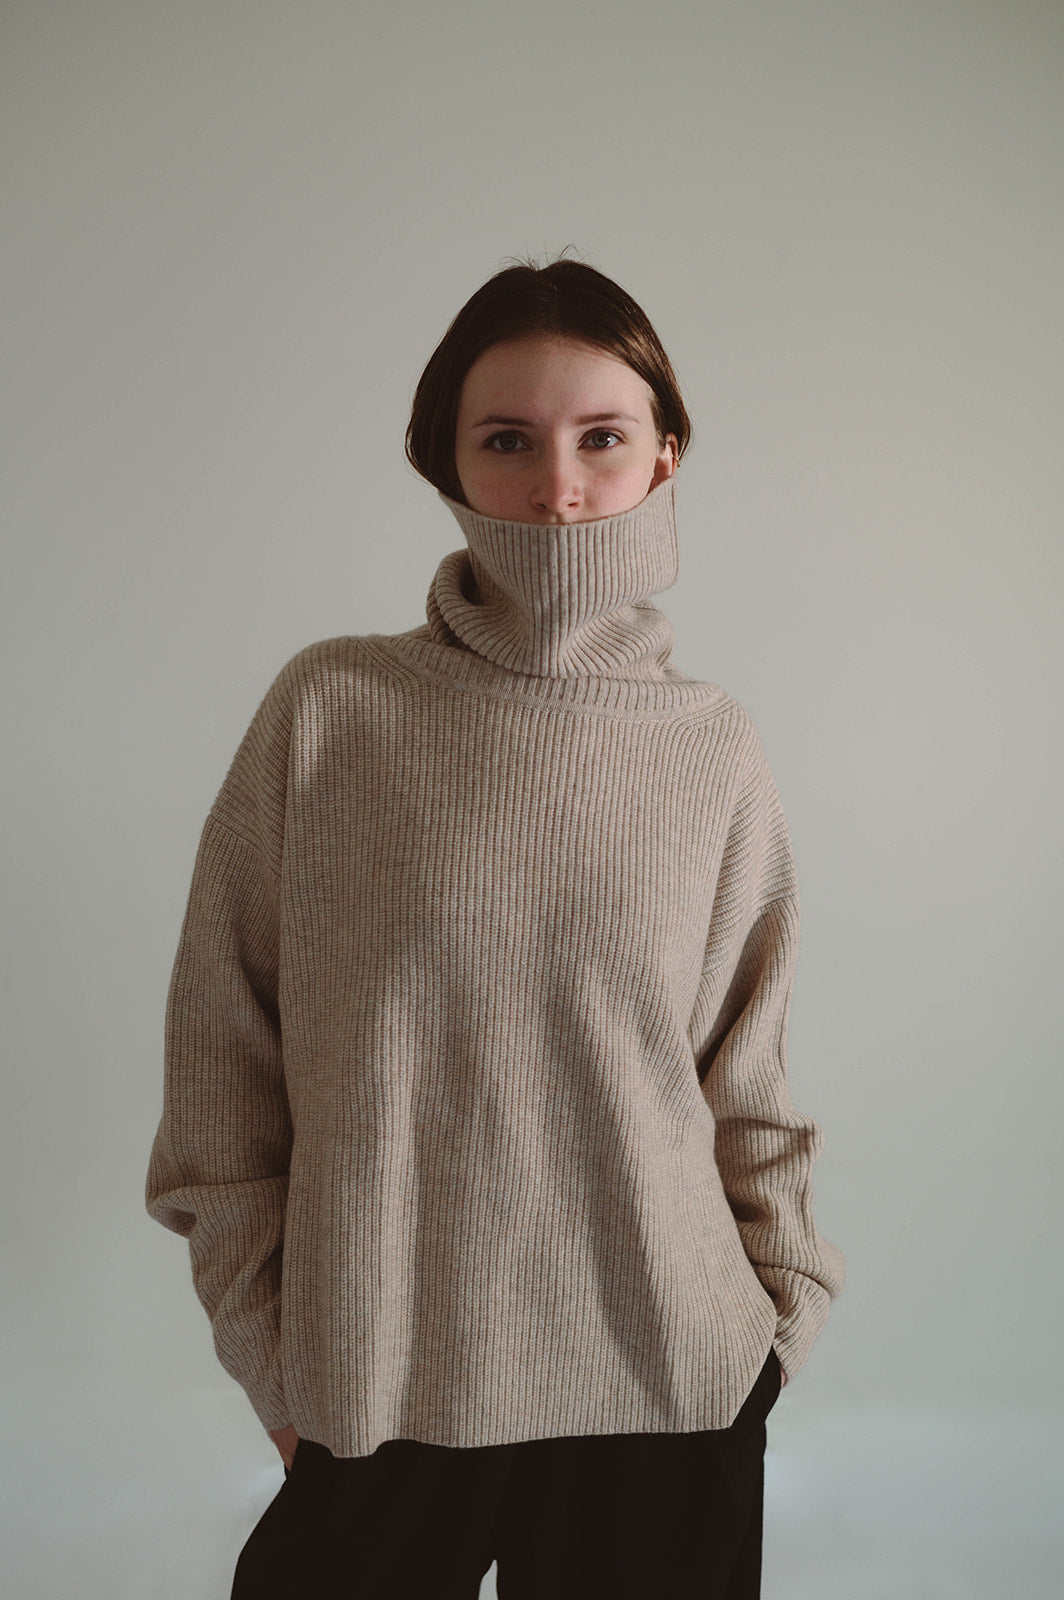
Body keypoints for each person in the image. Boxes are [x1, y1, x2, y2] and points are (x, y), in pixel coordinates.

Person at [146, 254, 846, 1599]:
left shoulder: (711, 745)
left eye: (602, 437)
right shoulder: (332, 711)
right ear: (446, 460)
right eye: (508, 440)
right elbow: (221, 1053)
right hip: (378, 1379)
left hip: (673, 1383)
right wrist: (270, 1356)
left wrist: (776, 1319)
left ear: (665, 453)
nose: (558, 487)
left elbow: (745, 1073)